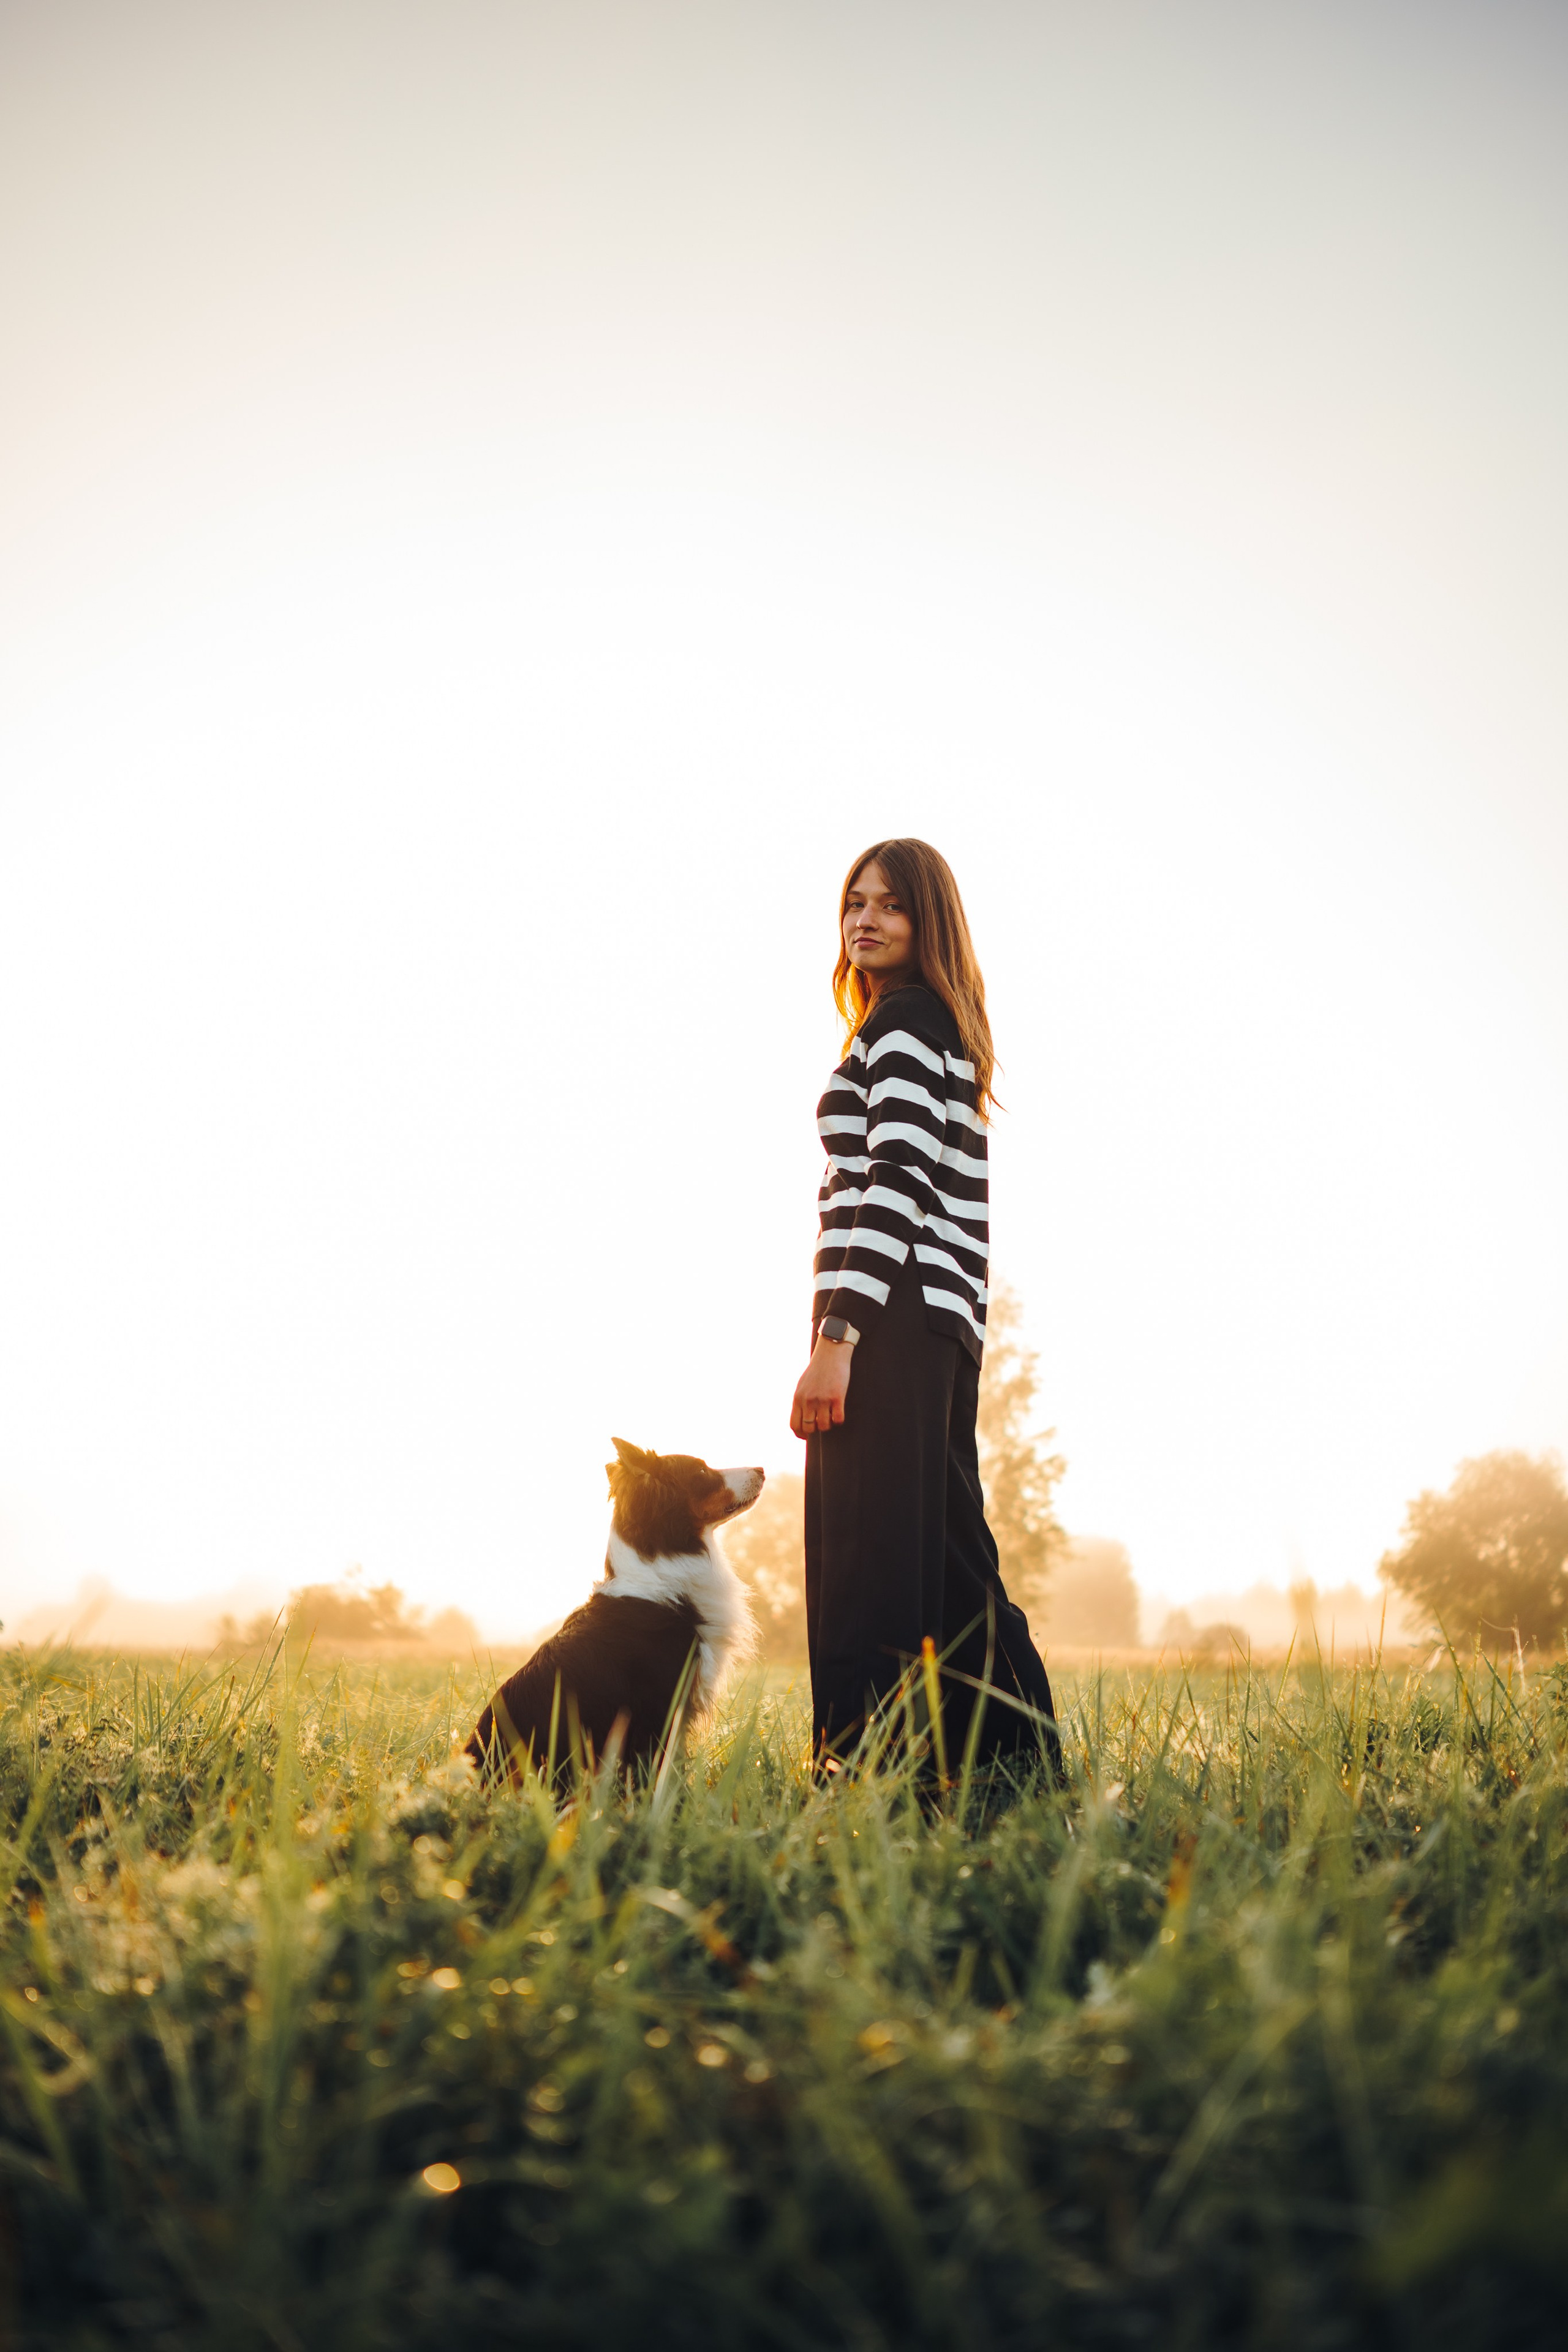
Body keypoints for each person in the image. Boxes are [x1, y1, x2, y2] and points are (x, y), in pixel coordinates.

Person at [791, 838, 1062, 1778]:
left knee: (868, 1556)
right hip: (931, 1319)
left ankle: (862, 1775)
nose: (864, 918)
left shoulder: (905, 1021)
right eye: (853, 903)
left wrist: (838, 1336)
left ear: (928, 921)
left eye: (891, 905)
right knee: (943, 1555)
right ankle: (1017, 1766)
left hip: (891, 1314)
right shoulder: (934, 1022)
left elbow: (897, 1181)